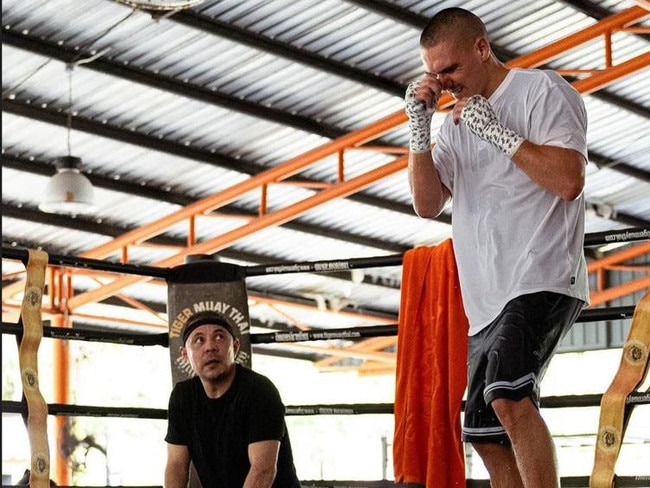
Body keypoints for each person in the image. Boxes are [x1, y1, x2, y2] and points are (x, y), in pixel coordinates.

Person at [405, 7, 590, 488]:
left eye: (452, 69)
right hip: (485, 297)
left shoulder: (542, 91)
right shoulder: (454, 124)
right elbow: (427, 205)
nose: (444, 83)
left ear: (482, 48)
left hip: (542, 272)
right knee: (485, 432)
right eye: (435, 74)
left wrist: (501, 134)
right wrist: (419, 130)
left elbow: (569, 181)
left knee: (509, 397)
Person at [164, 311, 301, 488]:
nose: (210, 347)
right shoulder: (182, 396)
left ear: (235, 346)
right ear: (185, 355)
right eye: (199, 340)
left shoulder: (259, 390)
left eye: (219, 337)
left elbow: (263, 470)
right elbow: (176, 465)